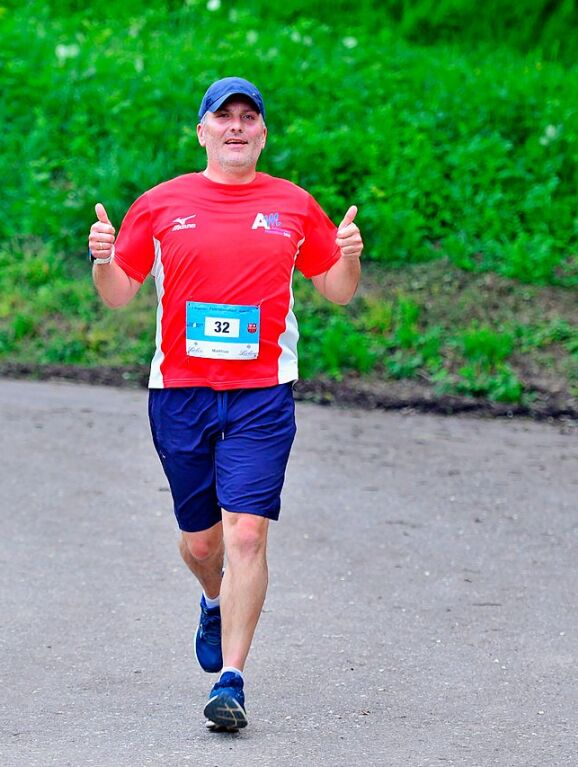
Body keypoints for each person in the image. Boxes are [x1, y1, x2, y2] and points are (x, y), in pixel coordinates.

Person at [88, 77, 363, 731]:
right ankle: (211, 598)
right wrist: (101, 259)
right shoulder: (160, 204)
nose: (236, 127)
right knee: (200, 540)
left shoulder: (293, 204)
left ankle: (230, 679)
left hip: (261, 393)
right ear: (202, 131)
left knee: (245, 531)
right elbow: (118, 295)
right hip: (179, 392)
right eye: (223, 117)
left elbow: (336, 291)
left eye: (248, 117)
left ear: (262, 133)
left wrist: (349, 257)